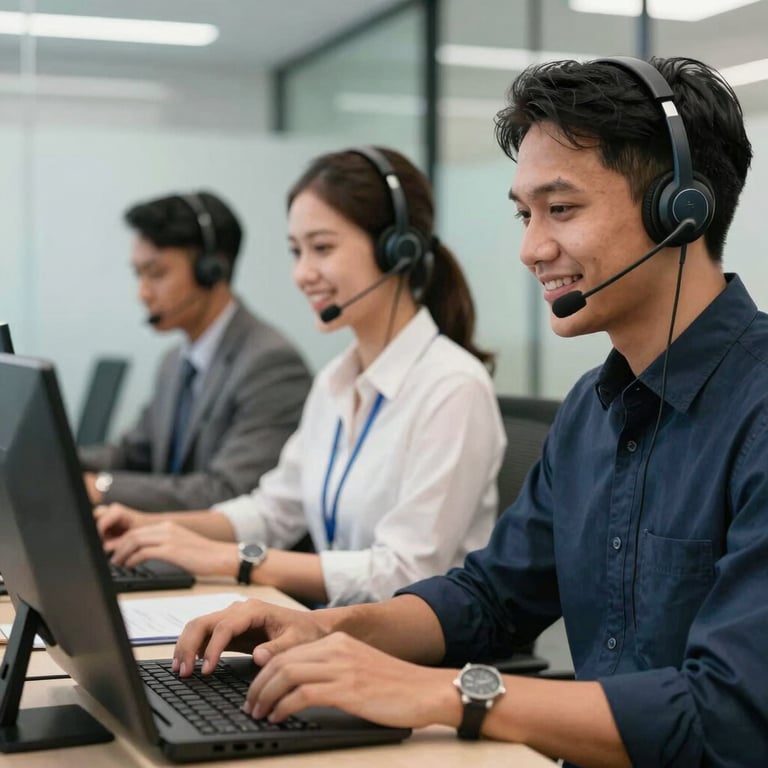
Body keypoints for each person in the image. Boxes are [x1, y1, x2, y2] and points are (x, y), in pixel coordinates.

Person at [170, 56, 767, 768]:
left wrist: (448, 694)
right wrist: (330, 631)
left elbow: (728, 719)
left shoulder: (757, 412)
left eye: (562, 209)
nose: (530, 249)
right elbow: (489, 597)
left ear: (681, 210)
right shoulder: (590, 412)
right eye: (524, 214)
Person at [97, 147, 506, 607]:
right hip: (331, 628)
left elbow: (407, 572)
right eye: (296, 251)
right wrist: (156, 527)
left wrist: (232, 559)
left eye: (322, 248)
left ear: (397, 250)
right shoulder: (335, 381)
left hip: (408, 645)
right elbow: (274, 511)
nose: (302, 273)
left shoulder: (452, 387)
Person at [80, 191, 312, 511]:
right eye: (138, 274)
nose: (143, 293)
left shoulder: (271, 365)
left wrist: (101, 488)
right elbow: (135, 453)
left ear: (211, 270)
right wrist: (57, 458)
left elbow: (228, 490)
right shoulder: (174, 362)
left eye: (156, 274)